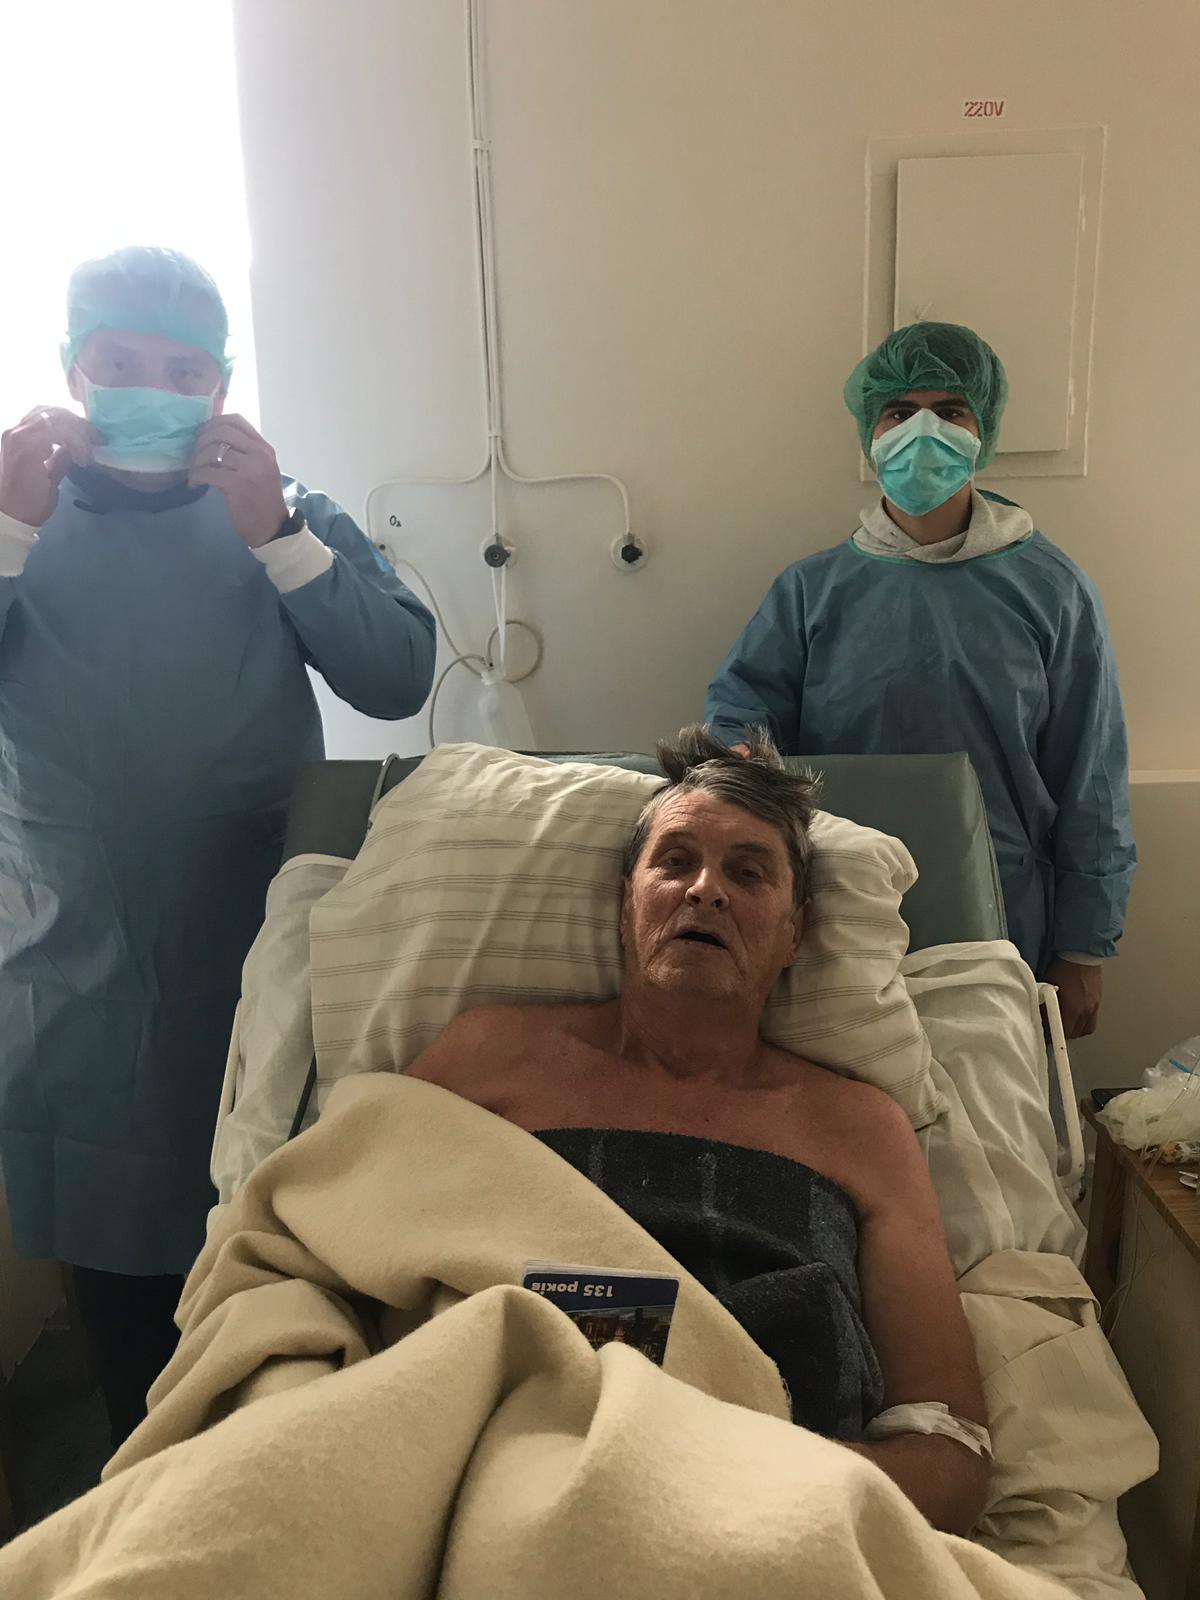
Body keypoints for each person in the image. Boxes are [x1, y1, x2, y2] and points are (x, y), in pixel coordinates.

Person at [0, 246, 436, 1447]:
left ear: (223, 385)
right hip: (77, 976)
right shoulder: (16, 517)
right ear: (73, 369)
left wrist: (279, 537)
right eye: (121, 360)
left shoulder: (281, 510)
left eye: (183, 368)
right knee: (129, 1321)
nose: (152, 386)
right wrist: (6, 531)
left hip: (262, 960)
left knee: (278, 1270)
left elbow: (398, 676)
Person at [408, 728, 990, 1536]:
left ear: (795, 934)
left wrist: (750, 1486)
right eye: (676, 861)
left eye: (748, 873)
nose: (706, 890)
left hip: (779, 1517)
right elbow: (342, 1245)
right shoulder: (488, 1060)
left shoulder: (860, 1129)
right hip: (506, 1485)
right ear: (625, 904)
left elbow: (951, 1451)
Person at [703, 321, 1134, 1039]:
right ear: (870, 433)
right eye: (900, 412)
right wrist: (740, 772)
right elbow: (741, 714)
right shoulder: (812, 592)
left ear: (983, 430)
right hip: (836, 902)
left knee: (989, 1093)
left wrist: (1084, 948)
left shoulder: (1052, 591)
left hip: (999, 911)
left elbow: (1091, 777)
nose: (922, 431)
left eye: (950, 410)